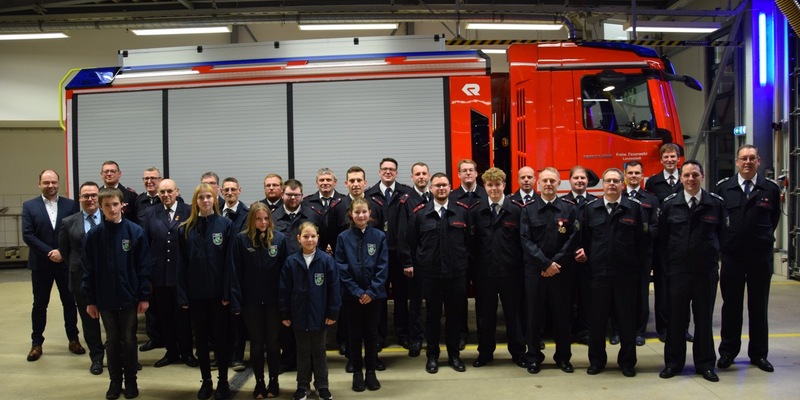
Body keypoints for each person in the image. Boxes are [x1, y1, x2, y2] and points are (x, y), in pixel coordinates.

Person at [716, 144, 782, 373]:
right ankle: (728, 352)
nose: (747, 162)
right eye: (743, 158)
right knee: (731, 306)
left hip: (760, 257)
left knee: (758, 306)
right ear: (736, 162)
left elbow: (773, 220)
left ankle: (759, 354)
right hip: (732, 257)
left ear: (759, 161)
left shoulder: (770, 189)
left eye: (752, 158)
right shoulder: (724, 188)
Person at [578, 168, 650, 377]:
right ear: (602, 184)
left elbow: (643, 242)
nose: (611, 184)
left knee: (627, 322)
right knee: (597, 321)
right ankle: (597, 361)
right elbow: (584, 240)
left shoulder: (634, 209)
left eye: (616, 181)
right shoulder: (591, 209)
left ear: (622, 184)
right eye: (608, 180)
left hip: (625, 277)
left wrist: (634, 268)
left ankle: (627, 362)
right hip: (598, 275)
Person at [658, 160, 725, 382]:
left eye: (695, 175)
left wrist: (714, 257)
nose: (690, 179)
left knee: (703, 318)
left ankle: (705, 364)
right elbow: (662, 240)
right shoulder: (669, 204)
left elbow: (724, 235)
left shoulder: (715, 204)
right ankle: (673, 364)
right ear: (680, 178)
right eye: (686, 175)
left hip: (705, 271)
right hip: (678, 272)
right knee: (676, 319)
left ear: (702, 177)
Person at [83, 187, 152, 400]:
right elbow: (88, 270)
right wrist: (90, 300)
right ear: (100, 207)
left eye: (115, 204)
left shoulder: (135, 232)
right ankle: (115, 381)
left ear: (122, 205)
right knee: (112, 340)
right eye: (107, 205)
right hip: (105, 299)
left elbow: (144, 267)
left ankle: (131, 380)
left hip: (130, 297)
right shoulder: (94, 235)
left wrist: (144, 295)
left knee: (129, 340)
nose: (112, 209)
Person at [403, 173, 472, 374]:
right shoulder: (419, 213)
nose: (441, 188)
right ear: (431, 189)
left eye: (444, 185)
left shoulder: (462, 212)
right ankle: (432, 356)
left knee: (454, 317)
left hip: (456, 274)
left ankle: (454, 356)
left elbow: (469, 241)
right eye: (437, 186)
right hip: (431, 275)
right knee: (432, 317)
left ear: (450, 187)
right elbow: (412, 242)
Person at [520, 167, 581, 374]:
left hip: (561, 273)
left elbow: (573, 239)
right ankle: (533, 358)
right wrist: (545, 264)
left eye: (552, 181)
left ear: (559, 183)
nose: (548, 184)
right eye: (544, 180)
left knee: (562, 316)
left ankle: (563, 358)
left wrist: (554, 264)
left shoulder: (569, 209)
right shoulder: (527, 209)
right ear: (538, 183)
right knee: (534, 317)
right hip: (535, 273)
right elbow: (525, 240)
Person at [177, 183, 234, 400]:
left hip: (219, 295)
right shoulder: (185, 228)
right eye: (201, 197)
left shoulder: (225, 225)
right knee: (200, 340)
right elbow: (180, 266)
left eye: (209, 197)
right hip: (195, 294)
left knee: (221, 339)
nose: (205, 201)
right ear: (195, 201)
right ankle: (206, 381)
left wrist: (228, 293)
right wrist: (182, 295)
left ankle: (222, 381)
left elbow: (230, 263)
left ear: (215, 199)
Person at [22, 169, 83, 362]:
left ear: (59, 183)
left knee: (69, 303)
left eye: (54, 182)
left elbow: (75, 231)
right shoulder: (29, 206)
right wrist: (50, 252)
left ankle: (73, 339)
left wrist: (61, 252)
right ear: (39, 183)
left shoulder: (70, 204)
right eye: (46, 182)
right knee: (40, 304)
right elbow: (28, 235)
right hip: (41, 264)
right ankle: (36, 343)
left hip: (65, 264)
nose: (51, 186)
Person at [327, 166, 383, 370]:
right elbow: (333, 241)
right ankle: (353, 359)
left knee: (373, 328)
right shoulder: (338, 206)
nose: (356, 183)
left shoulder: (376, 209)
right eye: (352, 180)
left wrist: (372, 289)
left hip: (374, 288)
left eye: (359, 180)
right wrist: (356, 290)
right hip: (350, 287)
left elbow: (382, 263)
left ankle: (373, 359)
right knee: (352, 327)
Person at [230, 202, 289, 399]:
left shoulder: (279, 239)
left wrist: (285, 304)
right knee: (256, 344)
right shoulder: (241, 240)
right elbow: (235, 272)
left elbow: (285, 274)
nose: (263, 222)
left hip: (273, 302)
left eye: (266, 219)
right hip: (251, 301)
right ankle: (259, 383)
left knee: (273, 343)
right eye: (258, 219)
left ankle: (274, 381)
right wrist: (236, 302)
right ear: (251, 220)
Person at [470, 167, 527, 369]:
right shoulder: (476, 211)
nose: (494, 188)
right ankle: (485, 353)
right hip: (484, 273)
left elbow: (523, 243)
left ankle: (518, 352)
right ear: (484, 186)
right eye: (490, 185)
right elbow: (471, 244)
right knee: (485, 316)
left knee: (514, 314)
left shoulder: (517, 210)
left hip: (510, 273)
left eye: (498, 184)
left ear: (504, 185)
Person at [280, 222, 341, 400]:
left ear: (318, 238)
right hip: (298, 315)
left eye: (313, 236)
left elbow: (334, 288)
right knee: (303, 351)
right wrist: (285, 313)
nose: (309, 239)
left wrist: (332, 312)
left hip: (320, 316)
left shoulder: (326, 260)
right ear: (298, 239)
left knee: (319, 351)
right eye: (305, 236)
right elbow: (284, 289)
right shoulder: (291, 262)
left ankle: (322, 385)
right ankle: (302, 386)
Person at [140, 179, 197, 368]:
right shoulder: (151, 213)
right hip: (160, 274)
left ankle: (187, 352)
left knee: (184, 317)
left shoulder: (188, 211)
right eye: (162, 192)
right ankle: (171, 351)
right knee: (165, 316)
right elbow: (145, 244)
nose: (165, 195)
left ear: (177, 191)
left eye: (169, 191)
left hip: (182, 275)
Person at [335, 198, 389, 392]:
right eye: (357, 212)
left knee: (371, 333)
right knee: (354, 333)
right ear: (351, 214)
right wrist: (357, 291)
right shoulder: (343, 238)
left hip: (375, 296)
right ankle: (357, 372)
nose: (361, 215)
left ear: (369, 214)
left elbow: (382, 267)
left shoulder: (379, 236)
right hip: (352, 296)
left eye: (364, 212)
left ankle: (371, 372)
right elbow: (341, 267)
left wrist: (372, 291)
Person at [365, 157, 412, 360]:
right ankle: (379, 337)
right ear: (379, 172)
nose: (388, 172)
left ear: (396, 172)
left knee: (402, 297)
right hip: (378, 257)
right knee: (379, 297)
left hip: (400, 254)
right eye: (384, 169)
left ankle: (403, 334)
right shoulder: (370, 195)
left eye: (391, 169)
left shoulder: (406, 193)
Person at [57, 181, 104, 375]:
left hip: (109, 280)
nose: (90, 199)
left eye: (93, 195)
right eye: (85, 196)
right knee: (89, 321)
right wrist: (79, 269)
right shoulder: (69, 222)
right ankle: (97, 359)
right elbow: (65, 252)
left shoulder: (111, 217)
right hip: (81, 280)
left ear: (99, 197)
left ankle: (122, 357)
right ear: (80, 199)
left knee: (114, 323)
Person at [645, 143, 684, 342]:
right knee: (662, 286)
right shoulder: (653, 183)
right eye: (666, 157)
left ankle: (682, 328)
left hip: (683, 242)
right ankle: (663, 328)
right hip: (662, 242)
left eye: (673, 156)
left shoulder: (687, 179)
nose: (670, 160)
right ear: (661, 160)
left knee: (683, 288)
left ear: (679, 159)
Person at [620, 161, 659, 347]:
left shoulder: (651, 199)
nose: (633, 176)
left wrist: (638, 238)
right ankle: (620, 331)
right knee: (620, 294)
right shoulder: (617, 195)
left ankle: (639, 331)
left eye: (637, 173)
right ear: (624, 175)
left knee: (642, 294)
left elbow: (655, 226)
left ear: (642, 175)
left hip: (643, 253)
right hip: (620, 254)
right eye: (630, 173)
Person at [448, 159, 486, 349]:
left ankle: (483, 334)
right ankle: (461, 334)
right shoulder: (452, 197)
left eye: (471, 170)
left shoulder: (486, 194)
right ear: (458, 175)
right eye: (464, 171)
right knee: (459, 298)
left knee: (483, 298)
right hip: (460, 256)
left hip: (482, 256)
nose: (468, 173)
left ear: (476, 173)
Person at [394, 162, 429, 357]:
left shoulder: (434, 196)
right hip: (416, 261)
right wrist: (407, 261)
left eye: (424, 173)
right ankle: (416, 338)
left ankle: (431, 336)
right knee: (415, 302)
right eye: (418, 174)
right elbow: (402, 234)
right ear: (412, 178)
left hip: (432, 261)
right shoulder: (406, 200)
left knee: (432, 301)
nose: (421, 177)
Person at [561, 165, 597, 345]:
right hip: (567, 259)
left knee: (586, 298)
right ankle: (566, 331)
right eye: (576, 178)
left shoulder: (596, 203)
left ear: (587, 181)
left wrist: (587, 251)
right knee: (566, 297)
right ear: (570, 180)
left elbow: (599, 233)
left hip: (587, 259)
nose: (580, 181)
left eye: (583, 178)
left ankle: (584, 332)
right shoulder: (562, 203)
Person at [220, 177, 251, 372]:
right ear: (222, 192)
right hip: (219, 270)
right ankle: (223, 355)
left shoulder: (248, 215)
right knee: (221, 318)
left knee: (238, 317)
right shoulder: (215, 212)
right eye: (226, 190)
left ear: (240, 190)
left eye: (233, 189)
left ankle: (237, 356)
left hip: (240, 270)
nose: (230, 193)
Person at [136, 167, 165, 354]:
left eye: (153, 178)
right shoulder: (138, 201)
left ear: (160, 180)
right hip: (146, 256)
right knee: (151, 303)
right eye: (146, 178)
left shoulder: (173, 201)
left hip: (165, 258)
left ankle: (172, 338)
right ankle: (154, 338)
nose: (149, 181)